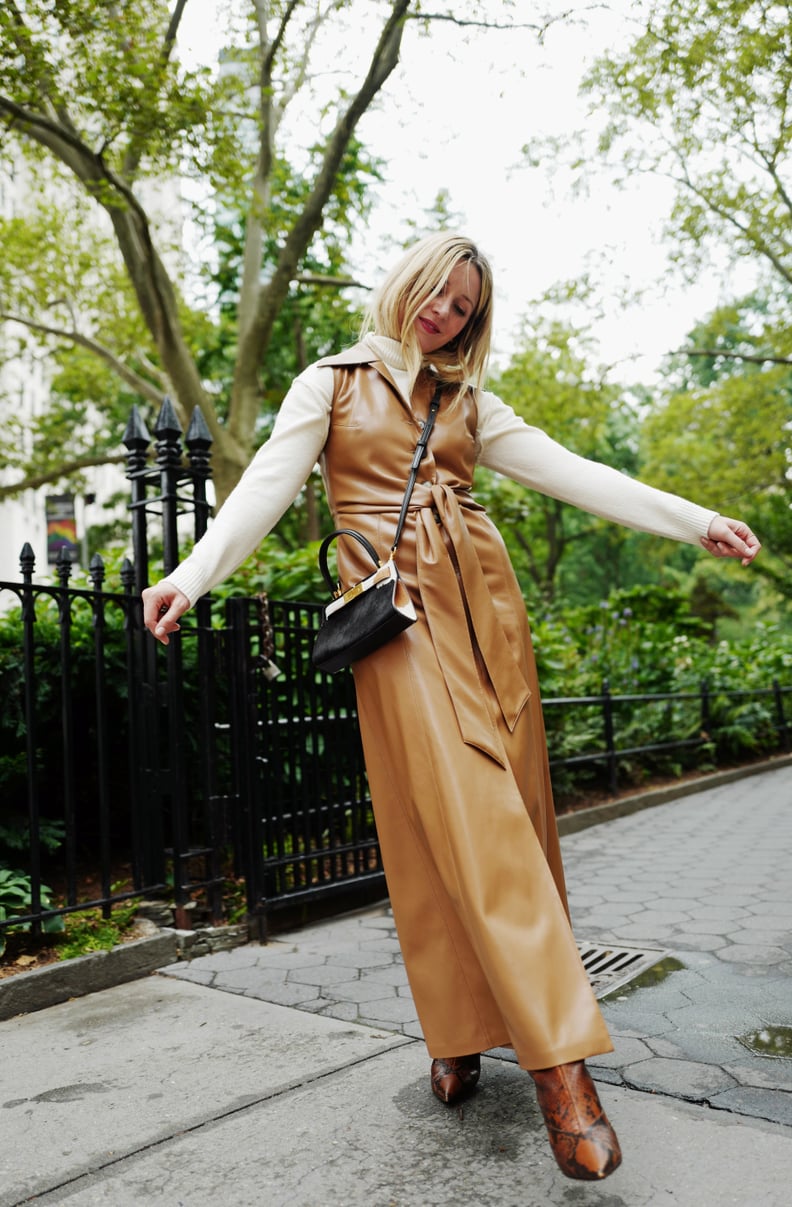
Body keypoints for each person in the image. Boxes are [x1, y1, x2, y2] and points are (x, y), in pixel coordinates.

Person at [142, 232, 760, 1182]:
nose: (446, 314)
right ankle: (563, 1076)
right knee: (472, 827)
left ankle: (462, 1028)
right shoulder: (333, 383)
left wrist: (694, 519)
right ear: (408, 281)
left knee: (501, 817)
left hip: (487, 614)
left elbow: (572, 470)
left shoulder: (468, 400)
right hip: (396, 620)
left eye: (465, 307)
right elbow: (266, 484)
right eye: (439, 293)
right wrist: (191, 575)